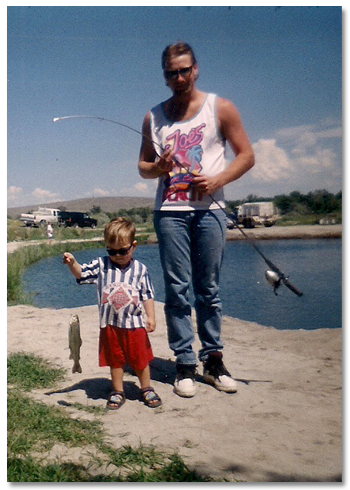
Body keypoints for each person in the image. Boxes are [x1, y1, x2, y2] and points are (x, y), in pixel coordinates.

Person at [138, 42, 254, 398]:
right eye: (172, 72)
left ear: (196, 69)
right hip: (170, 212)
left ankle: (214, 360)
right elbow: (143, 167)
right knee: (176, 289)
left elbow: (246, 155)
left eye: (185, 69)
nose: (179, 77)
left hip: (210, 213)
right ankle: (184, 364)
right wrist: (158, 167)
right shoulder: (153, 117)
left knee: (209, 289)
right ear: (164, 76)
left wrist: (219, 180)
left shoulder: (220, 107)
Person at [63, 217, 162, 410]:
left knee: (140, 359)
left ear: (133, 246)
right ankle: (117, 390)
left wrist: (151, 317)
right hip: (110, 325)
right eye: (112, 251)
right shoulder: (102, 265)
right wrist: (72, 263)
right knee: (115, 360)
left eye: (122, 251)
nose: (117, 255)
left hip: (134, 325)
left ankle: (146, 388)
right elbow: (81, 274)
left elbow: (147, 294)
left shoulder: (141, 269)